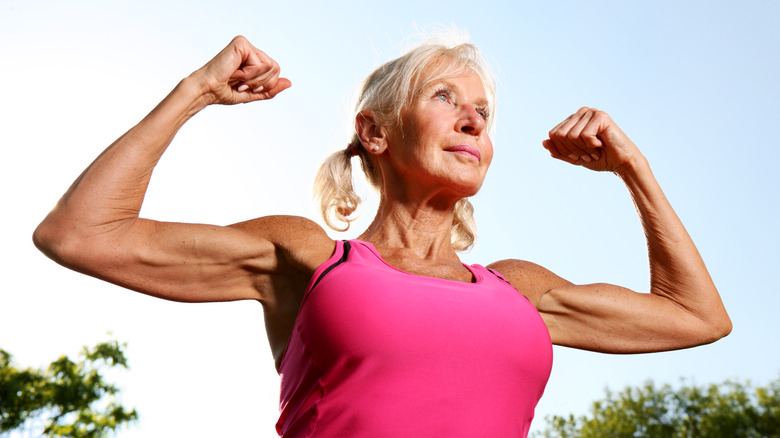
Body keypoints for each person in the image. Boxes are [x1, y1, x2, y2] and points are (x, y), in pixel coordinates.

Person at [33, 34, 731, 437]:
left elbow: (698, 317)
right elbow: (80, 234)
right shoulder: (308, 257)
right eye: (445, 98)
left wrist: (633, 170)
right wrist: (194, 91)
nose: (474, 120)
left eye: (483, 111)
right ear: (374, 131)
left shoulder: (521, 290)